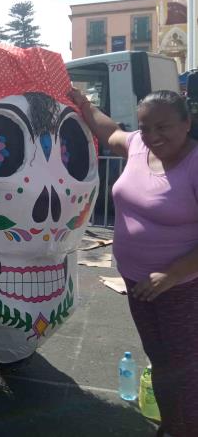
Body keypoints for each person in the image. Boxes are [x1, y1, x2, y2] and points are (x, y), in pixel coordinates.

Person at [69, 88, 198, 437]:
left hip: (182, 288)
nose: (153, 136)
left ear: (186, 124)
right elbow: (109, 132)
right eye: (145, 127)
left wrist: (172, 274)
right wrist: (84, 106)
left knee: (186, 371)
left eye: (164, 126)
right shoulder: (139, 147)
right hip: (138, 281)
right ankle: (172, 426)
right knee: (161, 359)